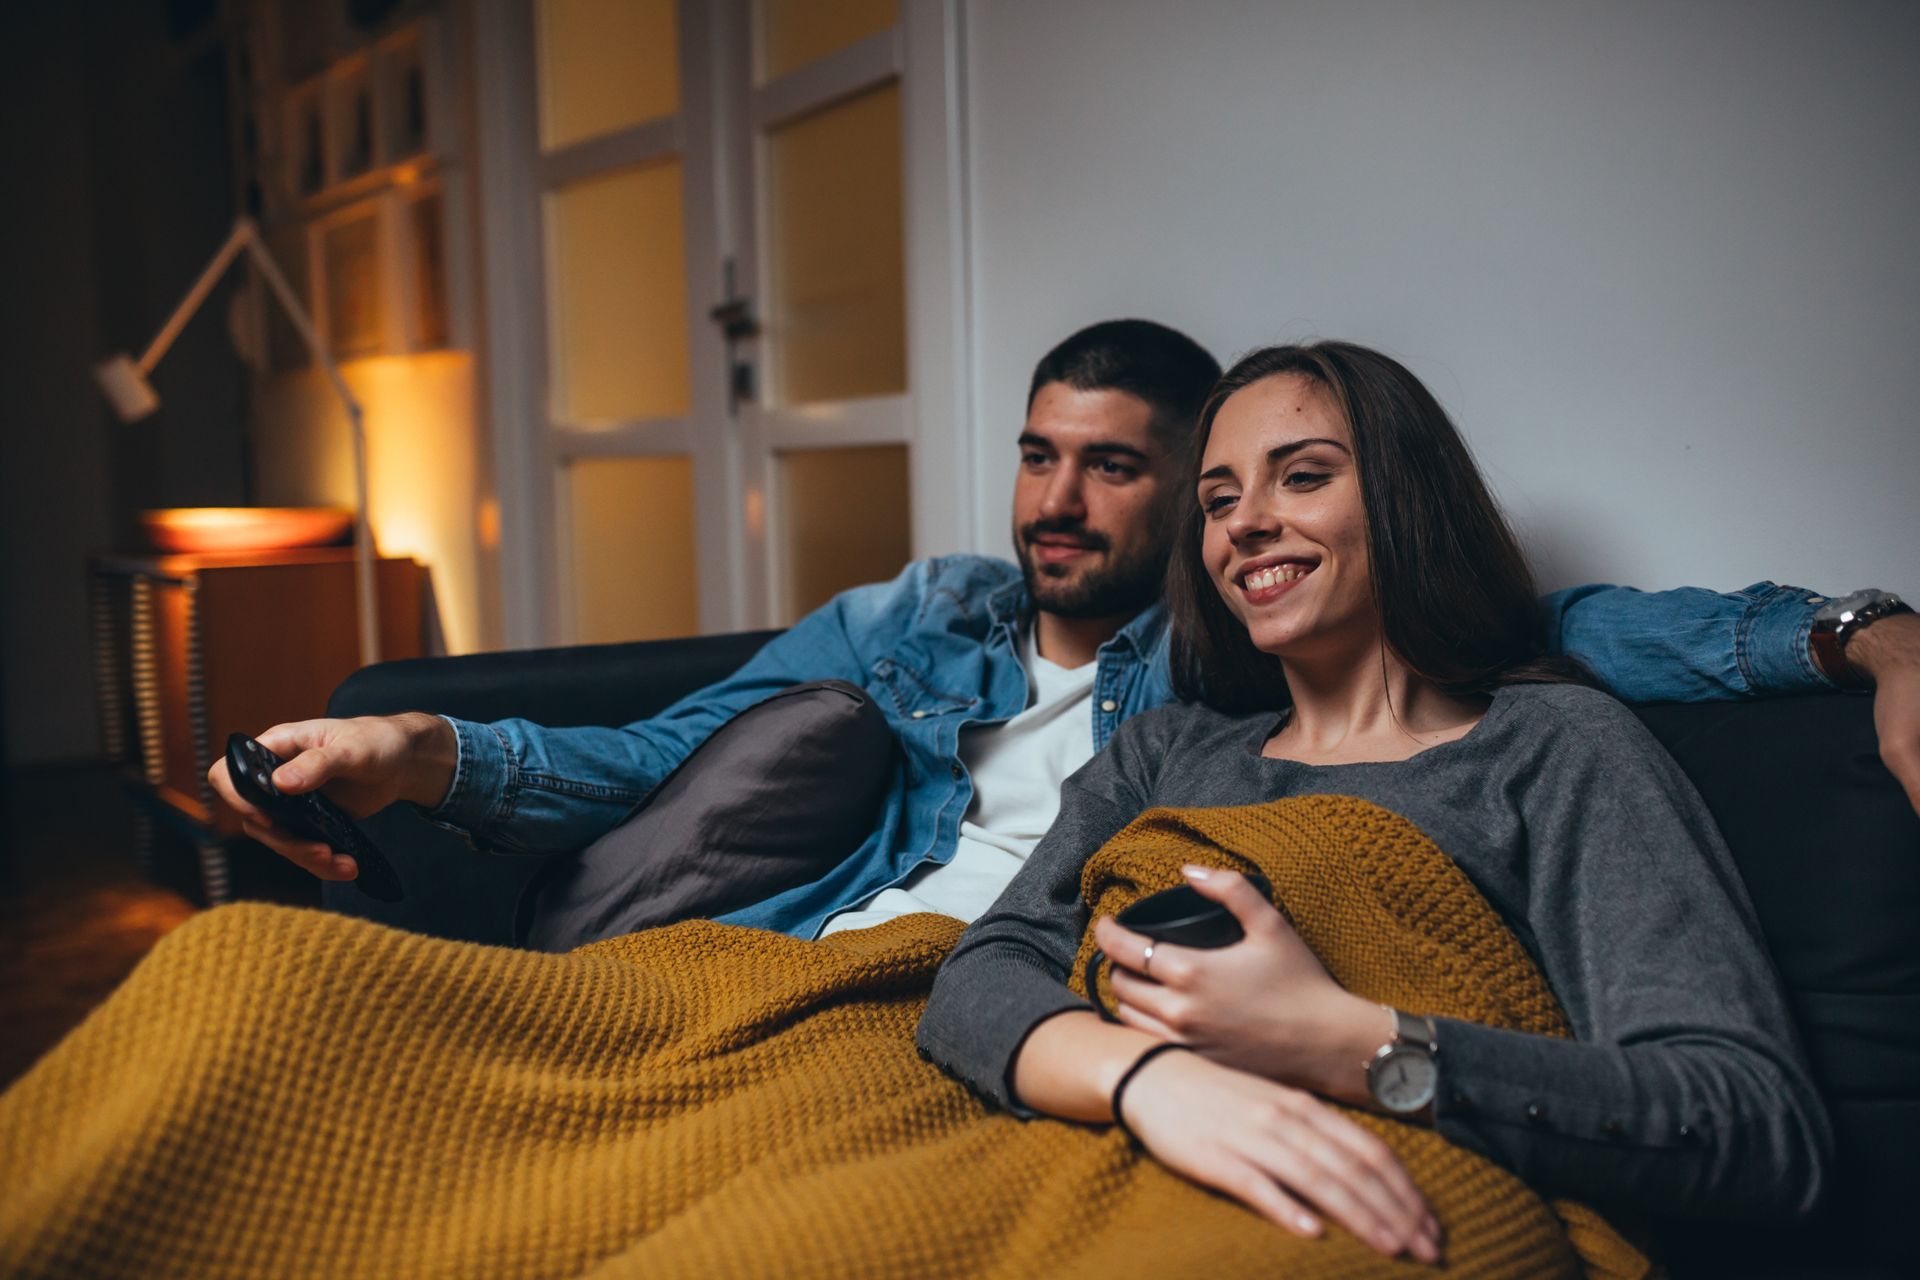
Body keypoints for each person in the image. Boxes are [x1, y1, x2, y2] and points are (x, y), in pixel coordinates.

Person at [209, 320, 1919, 944]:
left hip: (983, 996)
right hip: (800, 949)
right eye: (1040, 452)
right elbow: (662, 756)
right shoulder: (918, 616)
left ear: (1193, 503)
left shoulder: (1218, 669)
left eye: (1114, 468)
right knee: (243, 978)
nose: (1057, 499)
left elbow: (1573, 627)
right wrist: (408, 748)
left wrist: (1869, 638)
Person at [916, 341, 1830, 1263]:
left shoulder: (1553, 747)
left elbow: (1752, 1124)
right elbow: (982, 974)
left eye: (1302, 477)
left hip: (1361, 1215)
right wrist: (1152, 1080)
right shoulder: (1164, 751)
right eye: (1218, 500)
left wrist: (1355, 1045)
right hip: (1100, 1151)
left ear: (1405, 498)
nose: (1245, 524)